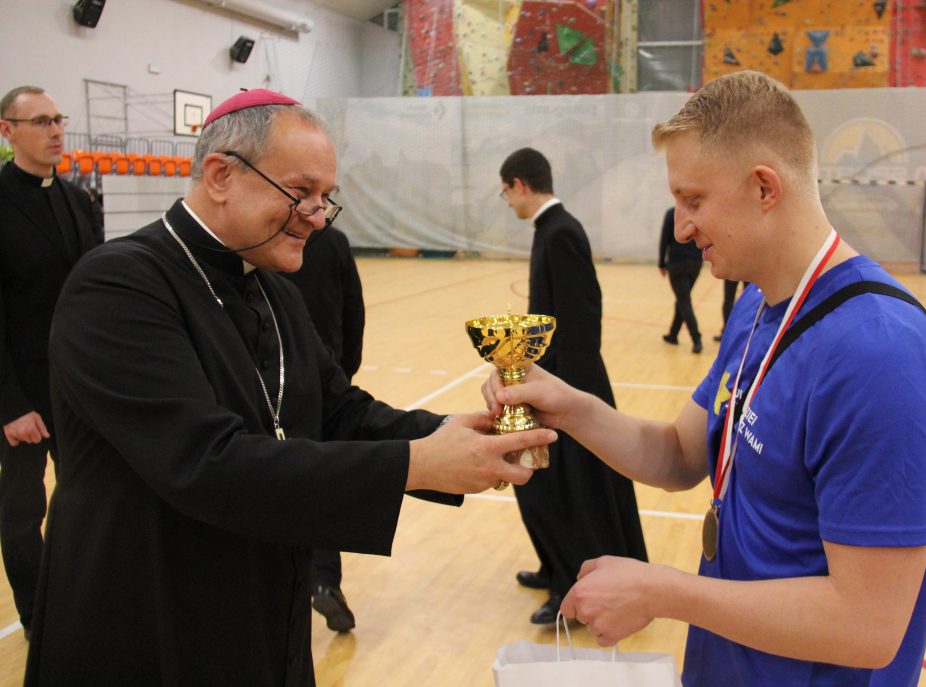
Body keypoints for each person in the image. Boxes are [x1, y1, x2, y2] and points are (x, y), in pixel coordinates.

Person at [25, 89, 555, 686]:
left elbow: (335, 409)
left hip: (262, 601)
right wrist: (416, 463)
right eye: (300, 192)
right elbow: (203, 461)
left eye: (325, 197)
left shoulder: (272, 287)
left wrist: (458, 432)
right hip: (146, 611)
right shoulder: (118, 284)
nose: (317, 215)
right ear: (221, 175)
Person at [485, 72, 926, 686]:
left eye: (693, 200)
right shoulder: (757, 306)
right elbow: (681, 455)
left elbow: (866, 626)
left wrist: (664, 591)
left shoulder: (880, 354)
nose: (681, 228)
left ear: (764, 188)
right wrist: (569, 406)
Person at [499, 147, 647, 625]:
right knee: (538, 484)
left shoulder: (560, 232)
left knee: (567, 492)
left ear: (520, 184)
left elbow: (580, 321)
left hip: (569, 385)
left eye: (506, 192)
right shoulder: (551, 229)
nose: (508, 202)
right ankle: (554, 565)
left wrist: (568, 402)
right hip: (554, 380)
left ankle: (573, 585)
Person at [0, 85, 101, 640]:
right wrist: (10, 406)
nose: (56, 130)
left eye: (58, 119)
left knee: (89, 497)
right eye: (40, 121)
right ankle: (38, 618)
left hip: (78, 385)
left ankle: (82, 600)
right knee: (22, 514)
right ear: (8, 131)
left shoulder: (78, 200)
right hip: (21, 395)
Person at [283, 226, 365, 632]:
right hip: (324, 380)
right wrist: (342, 375)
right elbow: (354, 313)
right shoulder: (333, 242)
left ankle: (290, 582)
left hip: (271, 379)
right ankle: (324, 580)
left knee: (279, 478)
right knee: (324, 479)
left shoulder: (262, 241)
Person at [658, 206, 704, 353]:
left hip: (677, 264)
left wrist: (661, 263)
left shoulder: (671, 213)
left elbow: (664, 238)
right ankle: (673, 335)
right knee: (682, 298)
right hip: (696, 263)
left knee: (684, 301)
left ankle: (696, 339)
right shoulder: (698, 212)